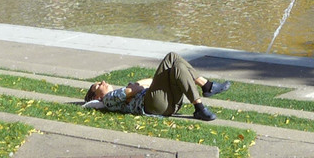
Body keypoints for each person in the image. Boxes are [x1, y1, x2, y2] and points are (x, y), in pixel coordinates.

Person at [83, 52, 230, 121]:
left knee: (177, 64)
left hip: (165, 103)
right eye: (98, 85)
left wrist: (138, 86)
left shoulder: (117, 96)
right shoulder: (108, 99)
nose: (102, 82)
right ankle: (206, 89)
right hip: (152, 105)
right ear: (97, 96)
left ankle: (201, 103)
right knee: (171, 57)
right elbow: (137, 88)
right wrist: (134, 87)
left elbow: (149, 82)